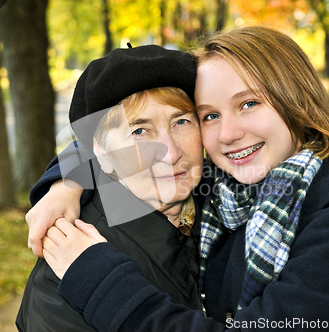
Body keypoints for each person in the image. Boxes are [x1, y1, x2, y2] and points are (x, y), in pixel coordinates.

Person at [27, 26, 329, 331]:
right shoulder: (234, 190)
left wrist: (99, 282)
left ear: (298, 102)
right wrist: (65, 182)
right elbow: (100, 143)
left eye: (249, 104)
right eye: (210, 115)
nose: (228, 134)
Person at [16, 44, 206, 331]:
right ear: (101, 152)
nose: (170, 152)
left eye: (181, 121)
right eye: (139, 131)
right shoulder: (69, 266)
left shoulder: (232, 210)